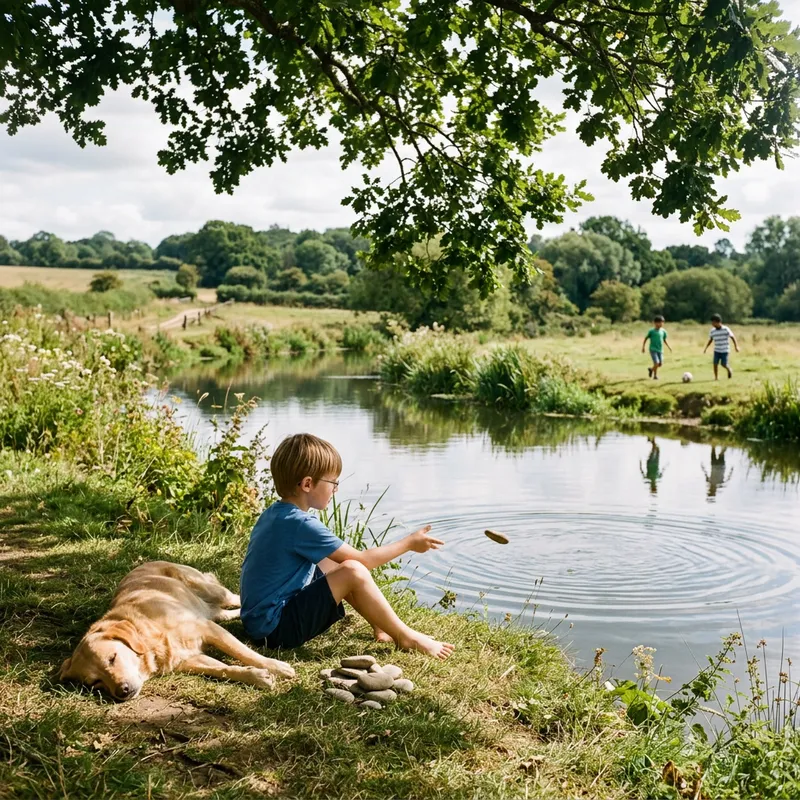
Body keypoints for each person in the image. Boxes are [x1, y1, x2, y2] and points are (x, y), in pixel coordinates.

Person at [240, 433, 455, 659]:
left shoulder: (276, 513)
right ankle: (406, 637)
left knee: (333, 560)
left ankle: (382, 625)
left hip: (258, 623)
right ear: (307, 484)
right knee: (353, 570)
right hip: (275, 631)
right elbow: (363, 561)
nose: (336, 489)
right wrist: (408, 543)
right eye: (333, 482)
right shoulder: (300, 524)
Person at [703, 314, 740, 379]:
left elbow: (732, 337)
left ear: (718, 322)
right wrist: (706, 348)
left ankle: (729, 369)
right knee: (715, 364)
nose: (712, 324)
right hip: (717, 350)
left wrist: (736, 346)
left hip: (725, 350)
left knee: (723, 364)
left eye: (713, 322)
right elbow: (710, 340)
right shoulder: (712, 331)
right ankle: (716, 377)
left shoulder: (726, 329)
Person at [641, 315, 672, 379]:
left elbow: (664, 340)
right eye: (660, 322)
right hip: (653, 349)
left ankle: (651, 370)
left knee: (660, 364)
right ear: (655, 323)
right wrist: (643, 347)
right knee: (656, 363)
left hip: (660, 350)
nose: (661, 324)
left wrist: (669, 347)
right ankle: (655, 376)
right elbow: (646, 338)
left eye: (662, 322)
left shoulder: (663, 331)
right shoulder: (651, 331)